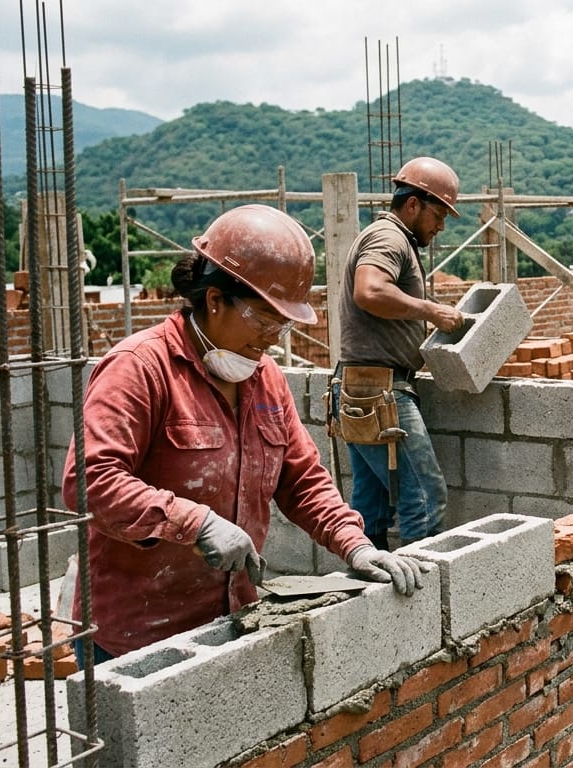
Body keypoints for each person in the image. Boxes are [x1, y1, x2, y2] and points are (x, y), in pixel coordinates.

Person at [62, 204, 424, 664]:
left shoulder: (264, 377)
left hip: (228, 623)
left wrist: (354, 543)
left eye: (283, 324)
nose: (273, 337)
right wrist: (196, 523)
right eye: (265, 320)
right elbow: (90, 482)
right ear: (215, 300)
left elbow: (302, 480)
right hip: (135, 637)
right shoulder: (139, 368)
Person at [335, 156, 464, 548]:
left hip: (361, 387)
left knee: (372, 504)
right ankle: (422, 583)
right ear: (412, 204)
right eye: (438, 215)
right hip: (380, 391)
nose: (440, 227)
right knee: (424, 497)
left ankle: (367, 576)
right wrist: (430, 310)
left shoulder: (389, 236)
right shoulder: (389, 238)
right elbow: (369, 291)